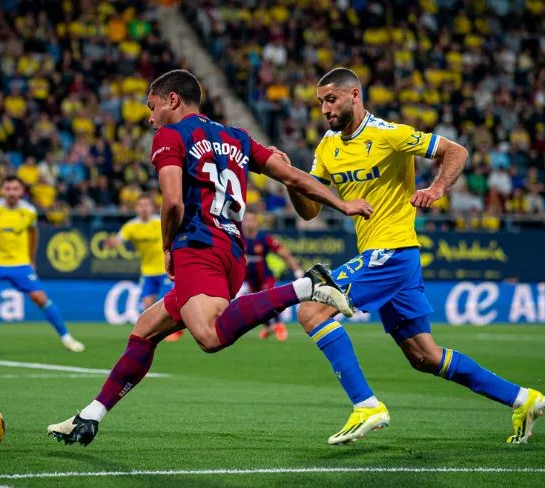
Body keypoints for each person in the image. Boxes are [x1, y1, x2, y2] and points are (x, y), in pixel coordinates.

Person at [47, 69, 372, 446]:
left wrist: (168, 247)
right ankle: (89, 416)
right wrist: (341, 203)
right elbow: (294, 177)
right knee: (144, 330)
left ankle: (307, 286)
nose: (150, 118)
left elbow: (171, 201)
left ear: (173, 100)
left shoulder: (169, 136)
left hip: (196, 246)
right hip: (231, 252)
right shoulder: (237, 137)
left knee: (210, 335)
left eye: (152, 107)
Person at [288, 67, 545, 445]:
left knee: (311, 309)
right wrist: (292, 180)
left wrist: (438, 187)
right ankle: (523, 399)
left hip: (392, 251)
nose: (325, 108)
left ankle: (366, 405)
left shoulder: (390, 134)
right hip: (389, 261)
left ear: (355, 95)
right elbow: (309, 211)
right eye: (320, 102)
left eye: (332, 99)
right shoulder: (328, 146)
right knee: (424, 356)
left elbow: (455, 151)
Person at [0, 176, 84, 353]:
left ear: (22, 192)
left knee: (40, 298)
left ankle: (67, 338)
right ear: (2, 191)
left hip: (20, 264)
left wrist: (31, 260)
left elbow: (34, 234)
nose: (11, 193)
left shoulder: (29, 211)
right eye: (8, 189)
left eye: (15, 189)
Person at [106, 192, 178, 340]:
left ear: (152, 207)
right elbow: (118, 241)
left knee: (168, 304)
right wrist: (112, 244)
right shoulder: (131, 227)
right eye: (140, 205)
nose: (144, 208)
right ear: (136, 208)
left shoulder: (160, 222)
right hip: (147, 271)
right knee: (147, 306)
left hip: (165, 270)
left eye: (147, 205)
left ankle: (172, 332)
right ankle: (153, 334)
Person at [243, 208, 303, 341]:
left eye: (252, 220)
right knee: (257, 304)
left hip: (265, 275)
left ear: (256, 222)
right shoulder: (239, 238)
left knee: (269, 297)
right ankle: (268, 326)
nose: (249, 223)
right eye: (246, 220)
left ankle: (279, 325)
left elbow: (284, 253)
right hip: (250, 278)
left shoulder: (264, 238)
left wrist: (297, 270)